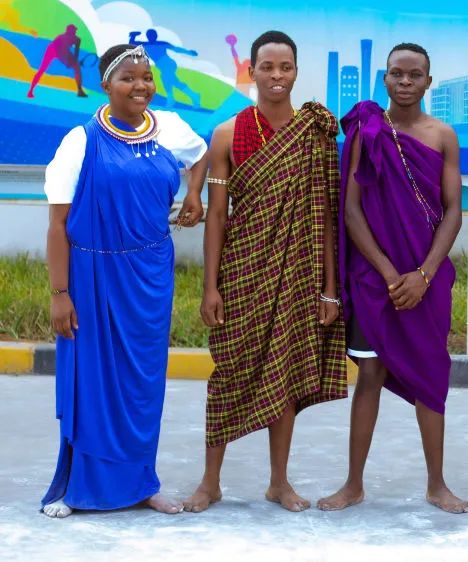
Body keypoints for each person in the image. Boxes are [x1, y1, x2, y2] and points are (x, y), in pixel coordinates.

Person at [41, 44, 207, 518]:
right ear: (106, 86)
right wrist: (60, 294)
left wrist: (194, 195)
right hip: (93, 277)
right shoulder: (81, 141)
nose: (140, 86)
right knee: (93, 381)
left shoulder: (168, 128)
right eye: (128, 78)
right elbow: (57, 226)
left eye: (146, 77)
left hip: (150, 277)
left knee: (143, 385)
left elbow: (201, 156)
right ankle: (81, 487)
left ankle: (141, 484)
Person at [183, 31, 347, 514]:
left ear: (296, 72)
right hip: (241, 270)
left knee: (287, 372)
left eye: (285, 67)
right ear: (251, 71)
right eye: (268, 67)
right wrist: (210, 286)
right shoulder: (228, 133)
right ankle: (210, 481)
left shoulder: (314, 133)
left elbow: (325, 215)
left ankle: (279, 482)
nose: (277, 76)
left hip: (299, 271)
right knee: (229, 371)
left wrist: (330, 289)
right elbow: (217, 215)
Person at [317, 43, 468, 514]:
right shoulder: (368, 131)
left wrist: (424, 274)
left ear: (428, 81)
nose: (405, 82)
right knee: (370, 374)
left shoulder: (442, 136)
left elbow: (452, 211)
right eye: (397, 74)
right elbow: (351, 210)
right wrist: (388, 273)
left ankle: (437, 484)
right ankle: (353, 484)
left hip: (426, 279)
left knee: (430, 374)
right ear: (384, 79)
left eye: (414, 75)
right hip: (375, 279)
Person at [128, 29, 201, 108]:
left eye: (153, 35)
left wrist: (189, 52)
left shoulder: (161, 43)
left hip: (168, 63)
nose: (151, 37)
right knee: (174, 81)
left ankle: (171, 99)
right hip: (162, 65)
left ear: (156, 36)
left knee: (165, 78)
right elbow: (132, 44)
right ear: (147, 36)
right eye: (150, 35)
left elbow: (176, 49)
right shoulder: (145, 44)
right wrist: (133, 36)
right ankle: (193, 95)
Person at [27, 24, 87, 98]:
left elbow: (75, 54)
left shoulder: (77, 39)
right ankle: (31, 90)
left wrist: (73, 62)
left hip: (62, 51)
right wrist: (69, 62)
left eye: (74, 31)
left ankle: (80, 91)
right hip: (53, 49)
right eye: (71, 31)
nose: (73, 32)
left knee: (77, 67)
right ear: (67, 31)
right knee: (42, 69)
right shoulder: (61, 37)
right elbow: (57, 49)